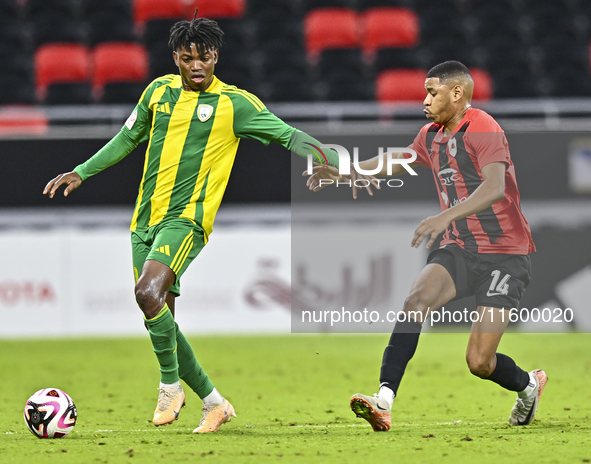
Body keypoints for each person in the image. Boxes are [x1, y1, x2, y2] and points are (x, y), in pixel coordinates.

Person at [43, 13, 351, 434]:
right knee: (160, 313)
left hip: (186, 221)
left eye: (204, 57)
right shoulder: (158, 92)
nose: (197, 66)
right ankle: (214, 402)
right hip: (144, 220)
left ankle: (169, 385)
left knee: (145, 292)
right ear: (176, 58)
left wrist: (332, 158)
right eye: (188, 58)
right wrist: (82, 171)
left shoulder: (235, 104)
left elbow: (287, 134)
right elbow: (127, 138)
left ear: (216, 56)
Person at [307, 61, 547, 431]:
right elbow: (395, 161)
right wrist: (345, 172)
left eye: (432, 92)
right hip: (461, 250)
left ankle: (528, 386)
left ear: (456, 93)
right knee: (415, 301)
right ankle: (384, 400)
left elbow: (495, 186)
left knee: (479, 362)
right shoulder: (429, 135)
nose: (425, 99)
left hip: (505, 256)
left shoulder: (483, 127)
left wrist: (445, 216)